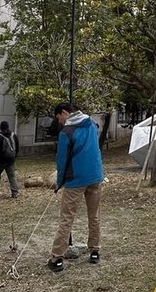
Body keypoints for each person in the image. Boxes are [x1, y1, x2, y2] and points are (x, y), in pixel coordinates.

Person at [48, 102, 104, 273]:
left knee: (67, 218)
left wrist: (60, 182)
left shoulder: (66, 132)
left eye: (59, 118)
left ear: (64, 113)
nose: (60, 121)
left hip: (75, 180)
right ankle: (95, 250)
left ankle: (57, 257)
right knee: (94, 215)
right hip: (95, 176)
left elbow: (62, 160)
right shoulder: (92, 124)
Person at [0, 120, 20, 198]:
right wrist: (14, 157)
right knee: (12, 176)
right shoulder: (13, 135)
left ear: (1, 127)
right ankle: (15, 192)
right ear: (8, 127)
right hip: (10, 160)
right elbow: (17, 147)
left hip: (0, 161)